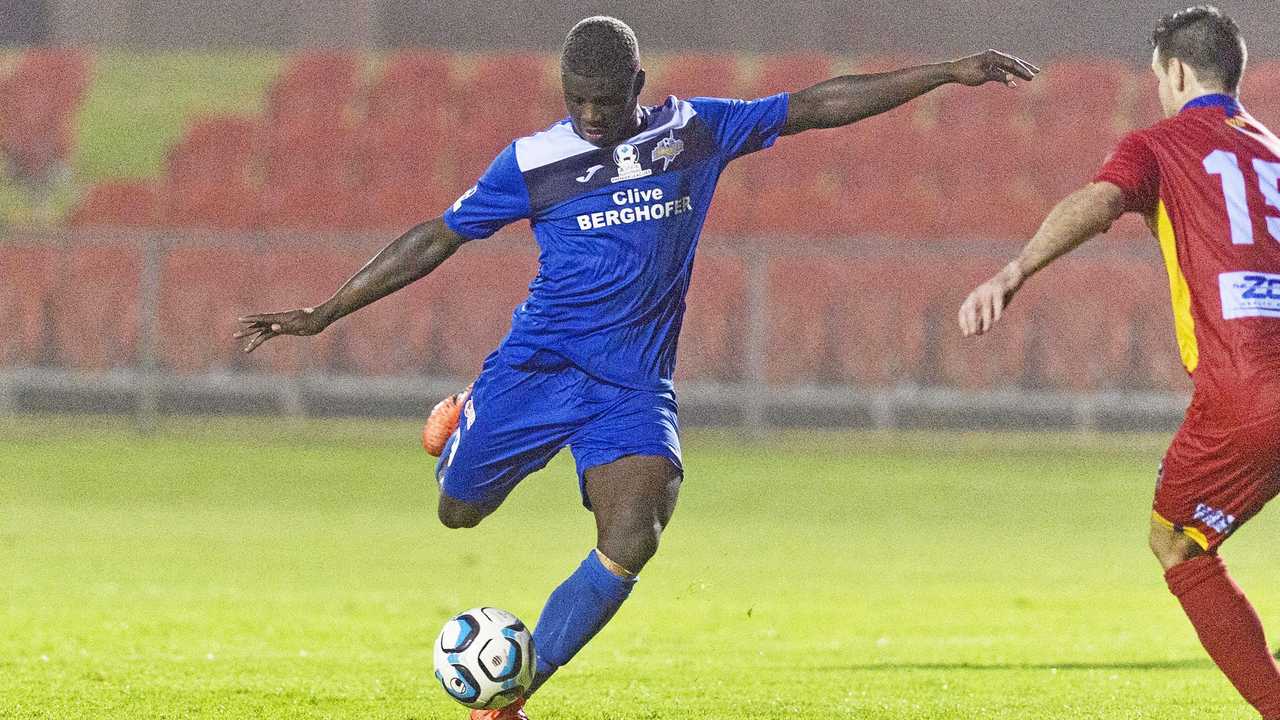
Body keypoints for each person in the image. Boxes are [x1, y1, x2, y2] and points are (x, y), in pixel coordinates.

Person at [237, 16, 1037, 719]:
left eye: (607, 102)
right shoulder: (532, 161)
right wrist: (325, 313)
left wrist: (943, 73)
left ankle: (512, 696)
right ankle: (458, 429)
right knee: (458, 516)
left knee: (637, 528)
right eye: (577, 100)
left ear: (639, 86)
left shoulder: (693, 132)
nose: (590, 116)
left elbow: (814, 105)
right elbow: (438, 235)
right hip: (536, 368)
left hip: (630, 386)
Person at [959, 6, 1280, 717]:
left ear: (1173, 71)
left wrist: (1015, 271)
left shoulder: (1161, 143)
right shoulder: (1276, 152)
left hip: (1246, 392)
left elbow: (1099, 201)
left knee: (1176, 542)